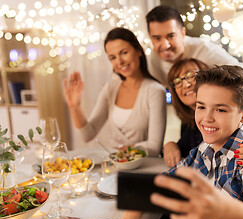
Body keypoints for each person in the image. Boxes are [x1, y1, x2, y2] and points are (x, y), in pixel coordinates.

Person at [110, 65, 243, 219]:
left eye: (220, 109)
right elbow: (164, 182)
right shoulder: (202, 151)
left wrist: (224, 210)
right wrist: (131, 214)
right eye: (201, 107)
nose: (207, 118)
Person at [163, 58, 243, 176]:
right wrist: (170, 145)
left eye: (190, 76)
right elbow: (185, 152)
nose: (186, 84)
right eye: (177, 81)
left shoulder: (238, 120)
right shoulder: (192, 122)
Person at [146, 5, 243, 121]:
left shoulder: (205, 50)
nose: (165, 45)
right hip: (188, 119)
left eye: (171, 36)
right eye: (157, 38)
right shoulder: (152, 62)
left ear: (183, 32)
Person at [64, 28, 166, 157]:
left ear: (138, 51)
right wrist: (75, 107)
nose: (119, 62)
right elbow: (87, 135)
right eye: (112, 57)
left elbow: (154, 146)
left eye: (124, 53)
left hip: (144, 169)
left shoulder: (155, 91)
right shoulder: (110, 88)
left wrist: (118, 151)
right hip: (115, 166)